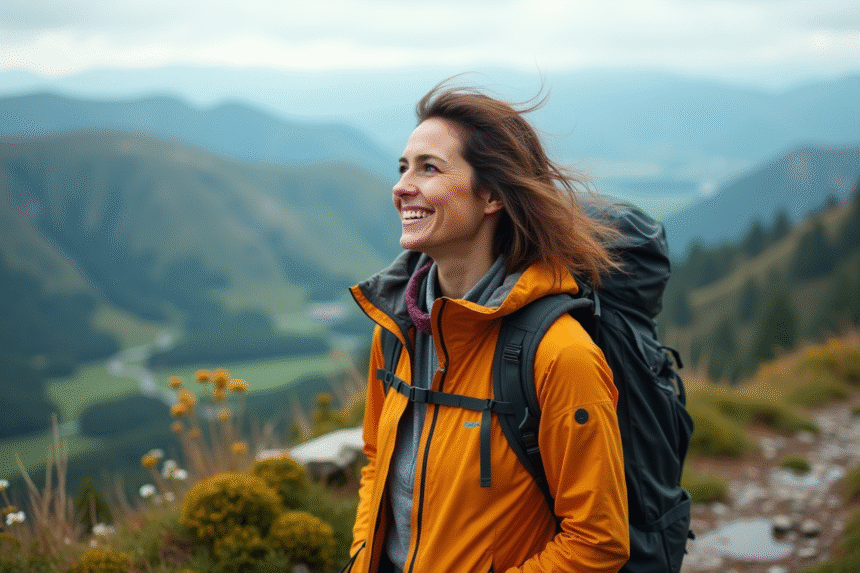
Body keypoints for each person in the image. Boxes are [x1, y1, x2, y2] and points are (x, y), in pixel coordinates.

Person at [347, 81, 630, 573]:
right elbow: (376, 460)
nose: (401, 186)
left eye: (428, 168)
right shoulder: (396, 332)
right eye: (402, 167)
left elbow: (598, 541)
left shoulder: (560, 355)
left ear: (493, 194)